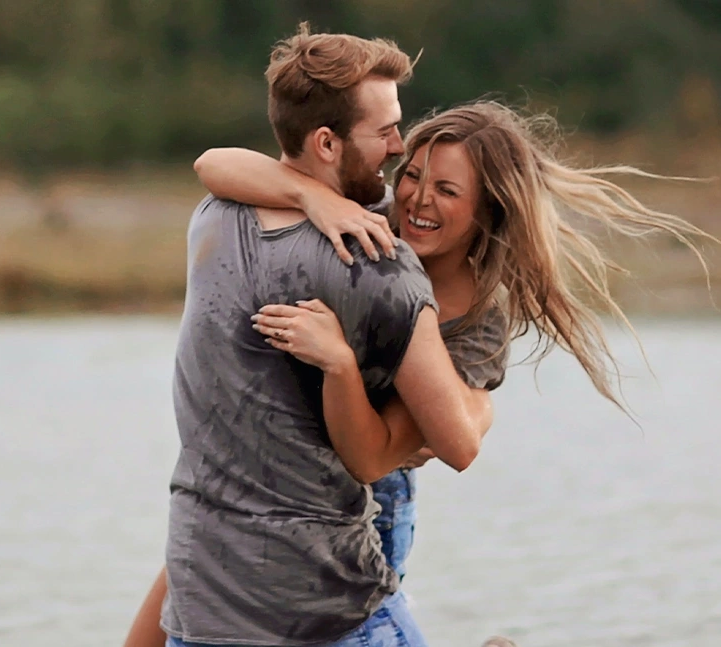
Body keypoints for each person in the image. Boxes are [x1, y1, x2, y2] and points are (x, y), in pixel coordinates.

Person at [126, 97, 712, 645]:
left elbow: (412, 449)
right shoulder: (371, 218)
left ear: (488, 210)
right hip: (283, 465)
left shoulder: (475, 322)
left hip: (371, 494)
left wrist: (369, 374)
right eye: (413, 176)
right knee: (202, 547)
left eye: (447, 191)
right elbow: (215, 163)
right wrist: (314, 198)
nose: (416, 201)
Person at [150, 23, 497, 647]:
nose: (397, 147)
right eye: (387, 132)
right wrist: (477, 407)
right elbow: (458, 444)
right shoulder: (381, 264)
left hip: (206, 591)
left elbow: (212, 163)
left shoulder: (211, 218)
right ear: (328, 142)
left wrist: (307, 193)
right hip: (325, 600)